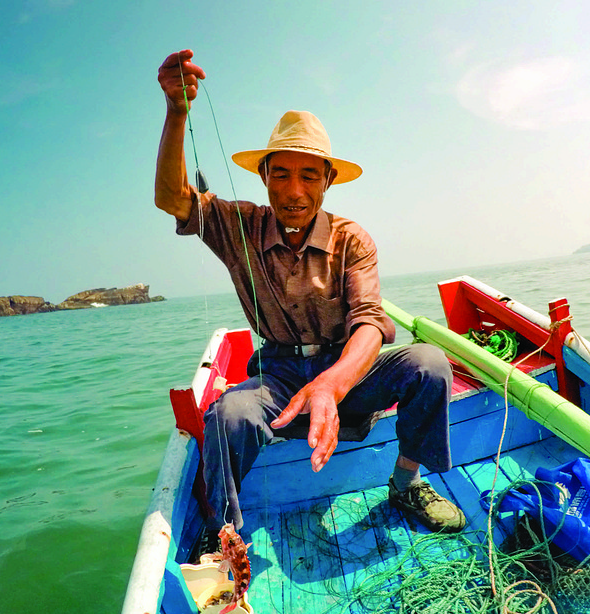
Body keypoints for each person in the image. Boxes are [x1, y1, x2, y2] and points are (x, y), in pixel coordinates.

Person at [155, 49, 465, 538]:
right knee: (228, 414)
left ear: (326, 181)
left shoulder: (351, 239)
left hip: (347, 373)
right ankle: (224, 537)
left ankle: (406, 482)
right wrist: (176, 112)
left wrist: (331, 385)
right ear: (264, 177)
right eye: (281, 174)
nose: (293, 191)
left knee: (429, 365)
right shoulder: (241, 227)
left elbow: (368, 323)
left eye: (307, 176)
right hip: (277, 377)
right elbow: (172, 198)